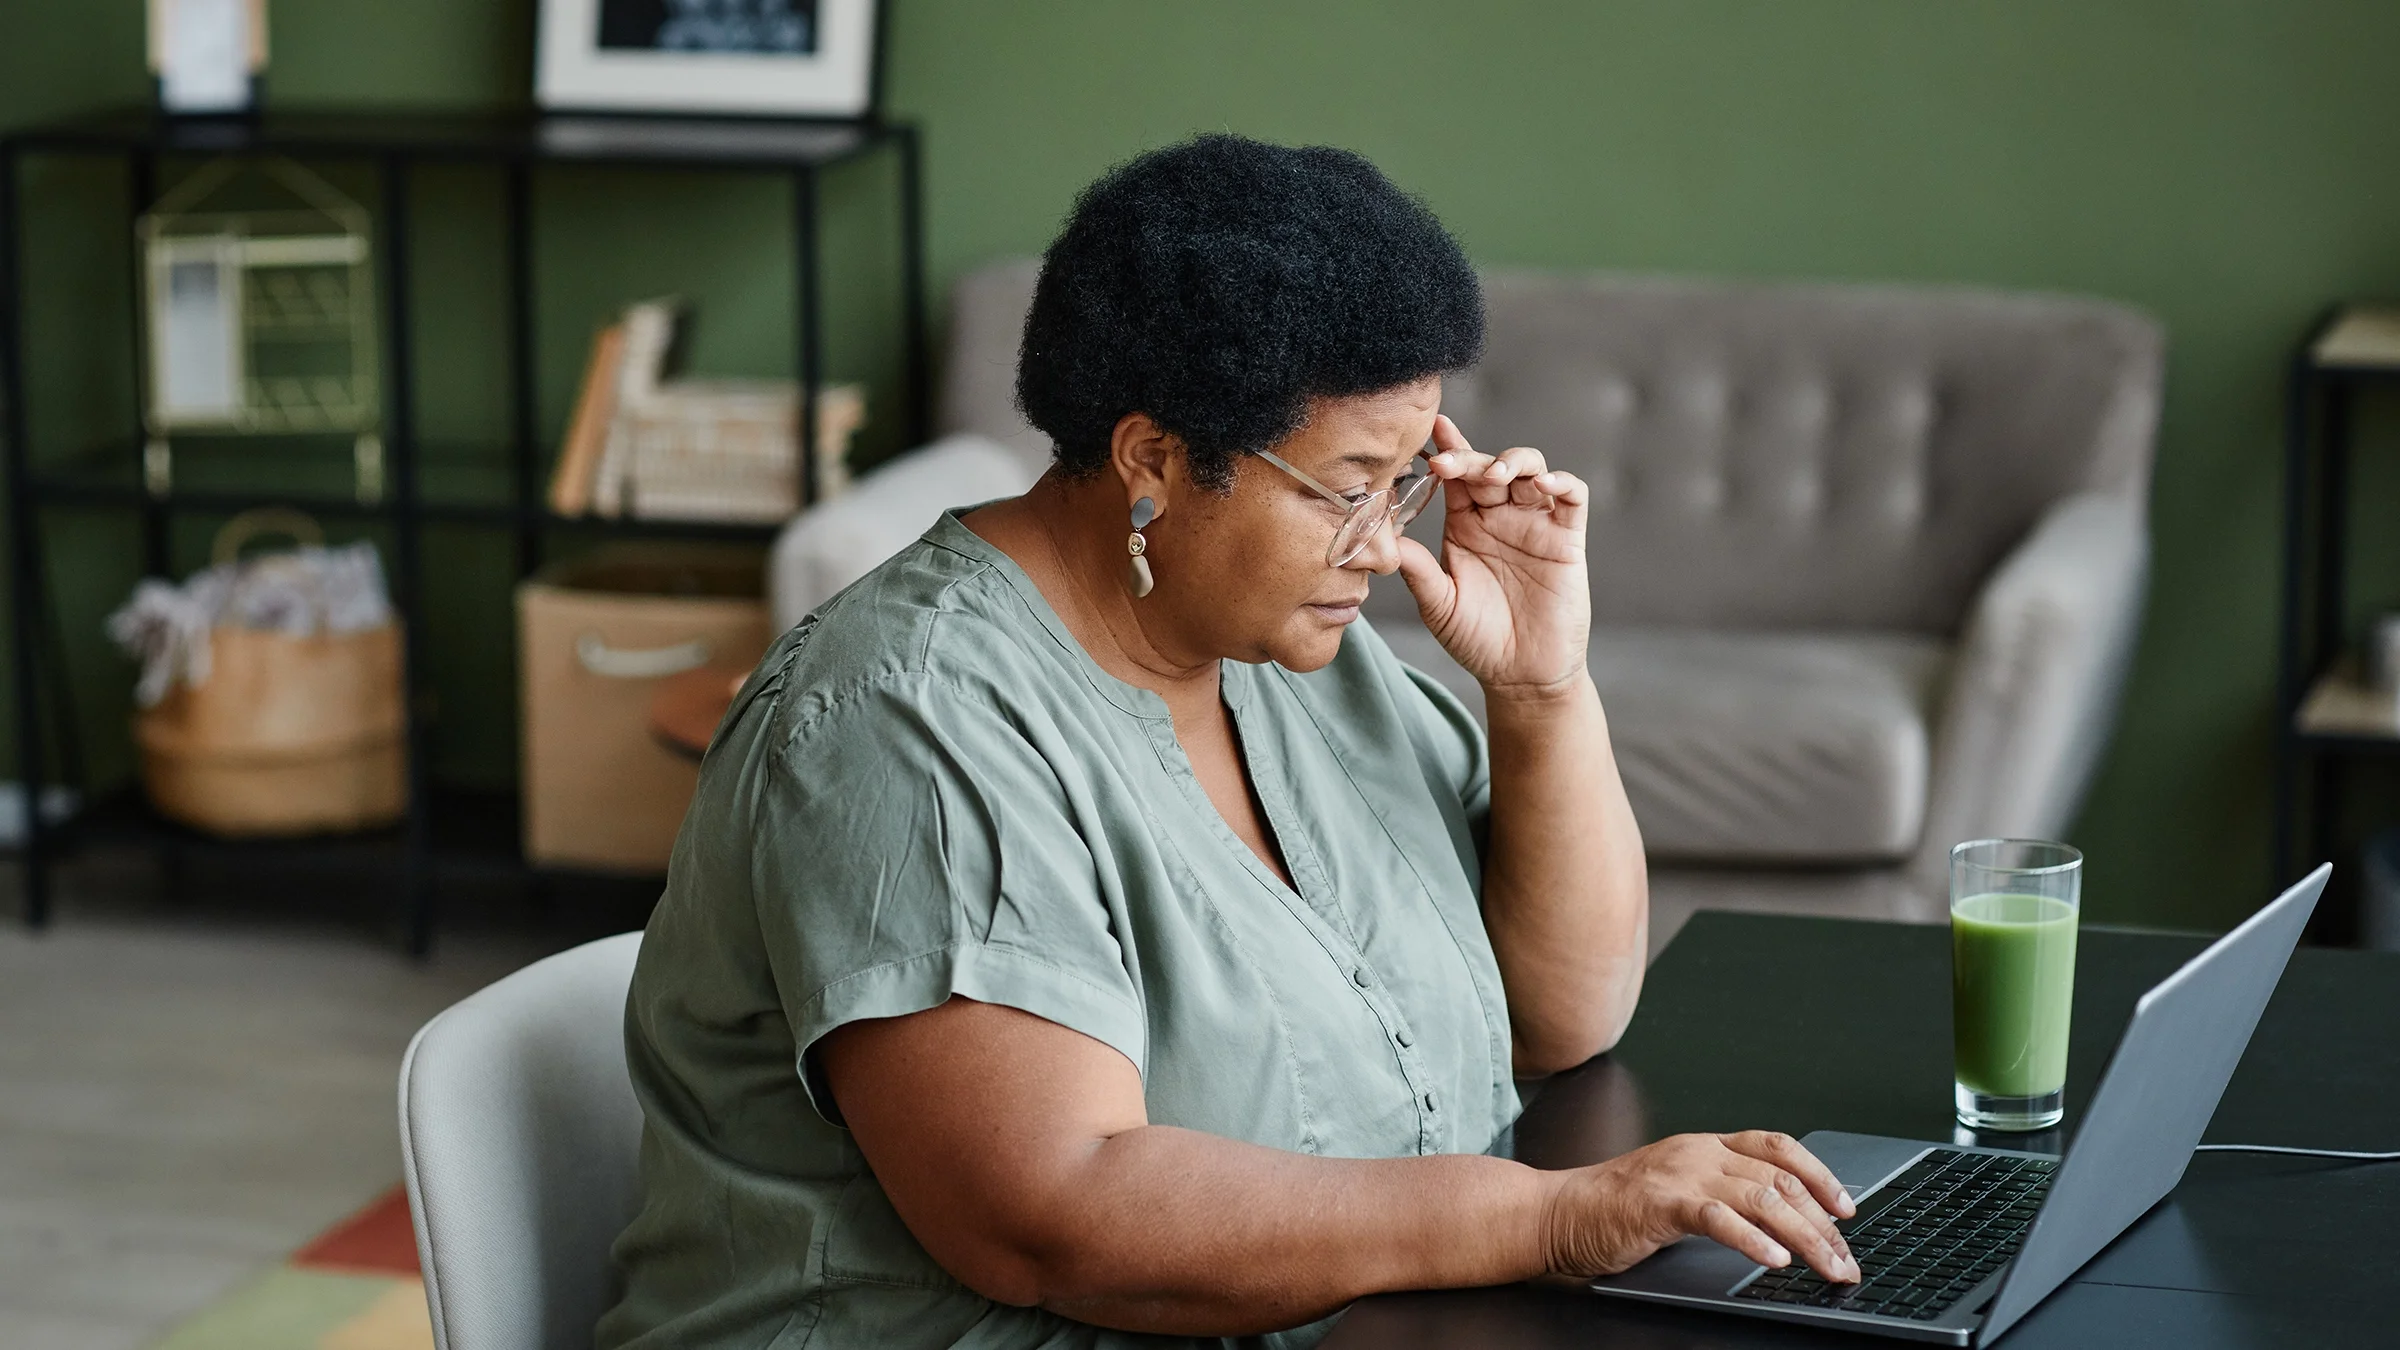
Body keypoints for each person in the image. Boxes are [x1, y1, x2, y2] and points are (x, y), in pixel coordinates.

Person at [598, 133, 1858, 1350]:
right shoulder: (903, 721)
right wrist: (1554, 1216)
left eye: (1409, 476)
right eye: (1347, 483)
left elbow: (1563, 1021)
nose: (1385, 538)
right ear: (1152, 458)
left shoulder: (1292, 654)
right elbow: (1054, 1217)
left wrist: (1542, 692)